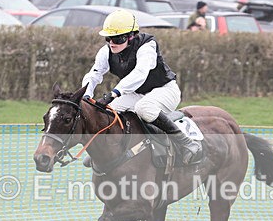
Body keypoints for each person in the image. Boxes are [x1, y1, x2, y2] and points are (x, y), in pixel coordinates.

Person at [81, 9, 201, 165]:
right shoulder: (106, 52)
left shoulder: (147, 46)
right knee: (106, 110)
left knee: (143, 108)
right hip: (137, 94)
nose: (112, 43)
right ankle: (109, 150)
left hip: (165, 90)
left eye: (117, 39)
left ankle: (186, 142)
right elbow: (94, 74)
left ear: (131, 36)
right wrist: (86, 95)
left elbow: (140, 73)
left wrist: (115, 92)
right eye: (108, 38)